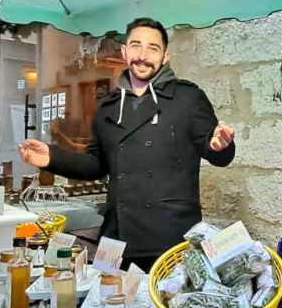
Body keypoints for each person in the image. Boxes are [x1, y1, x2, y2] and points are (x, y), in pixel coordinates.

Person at [20, 18, 235, 270]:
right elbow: (95, 165)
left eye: (153, 48)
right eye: (136, 46)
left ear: (165, 56)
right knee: (107, 303)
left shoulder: (187, 98)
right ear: (124, 52)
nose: (142, 56)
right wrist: (52, 158)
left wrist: (221, 146)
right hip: (116, 235)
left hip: (169, 238)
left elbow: (218, 153)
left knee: (159, 307)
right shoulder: (108, 107)